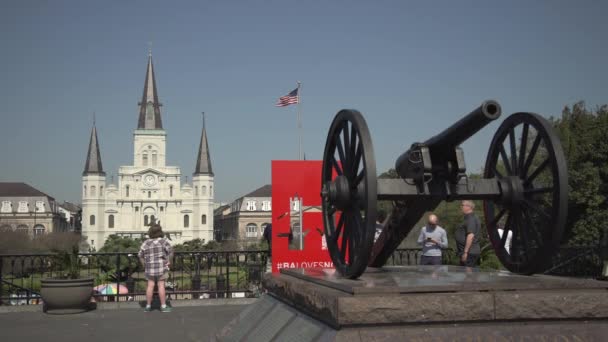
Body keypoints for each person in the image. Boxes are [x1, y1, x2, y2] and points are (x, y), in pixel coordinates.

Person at [138, 223, 173, 312]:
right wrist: (169, 261)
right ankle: (163, 306)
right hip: (161, 266)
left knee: (150, 286)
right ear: (160, 232)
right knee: (161, 286)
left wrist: (144, 265)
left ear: (150, 232)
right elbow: (171, 252)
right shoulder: (164, 242)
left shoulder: (146, 243)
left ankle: (148, 306)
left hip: (149, 267)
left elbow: (140, 255)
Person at [455, 200, 481, 267]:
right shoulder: (468, 218)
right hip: (468, 252)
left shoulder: (471, 218)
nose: (461, 207)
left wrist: (465, 252)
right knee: (467, 275)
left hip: (469, 252)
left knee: (468, 275)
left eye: (462, 205)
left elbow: (470, 235)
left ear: (468, 207)